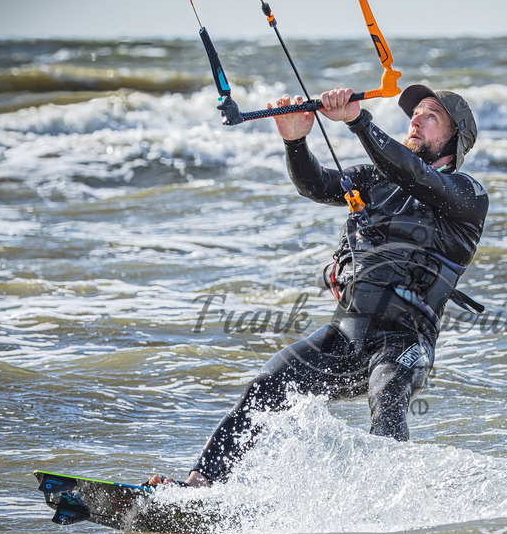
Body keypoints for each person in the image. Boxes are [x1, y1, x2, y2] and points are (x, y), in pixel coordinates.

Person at [149, 84, 487, 488]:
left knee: (388, 398)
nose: (415, 119)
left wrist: (358, 121)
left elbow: (416, 175)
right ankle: (199, 489)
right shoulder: (374, 181)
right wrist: (295, 141)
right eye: (415, 113)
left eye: (431, 115)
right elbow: (315, 184)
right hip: (344, 337)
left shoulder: (467, 196)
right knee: (267, 384)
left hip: (405, 342)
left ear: (455, 137)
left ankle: (391, 503)